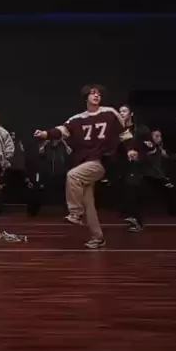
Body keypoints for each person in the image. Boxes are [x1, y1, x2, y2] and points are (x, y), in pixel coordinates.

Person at [34, 84, 137, 249]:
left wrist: (130, 149)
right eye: (92, 93)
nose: (96, 96)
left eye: (99, 94)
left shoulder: (110, 113)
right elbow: (62, 131)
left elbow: (124, 133)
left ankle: (75, 213)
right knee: (89, 204)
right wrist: (45, 133)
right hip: (84, 162)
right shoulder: (77, 119)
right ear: (86, 97)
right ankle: (98, 237)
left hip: (101, 161)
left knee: (73, 175)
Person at [117, 104, 154, 231]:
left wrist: (140, 153)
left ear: (131, 113)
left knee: (132, 188)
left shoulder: (141, 129)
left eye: (124, 111)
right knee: (124, 190)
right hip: (122, 165)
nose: (122, 113)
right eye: (120, 111)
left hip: (137, 165)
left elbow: (150, 146)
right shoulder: (118, 130)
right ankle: (131, 217)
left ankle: (135, 219)